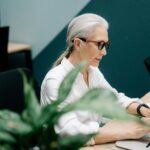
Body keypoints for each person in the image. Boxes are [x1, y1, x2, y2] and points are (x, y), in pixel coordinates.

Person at [41, 13, 150, 145]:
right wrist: (129, 131)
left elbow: (113, 99)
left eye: (106, 45)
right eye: (100, 44)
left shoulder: (92, 72)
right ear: (78, 44)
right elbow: (71, 134)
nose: (104, 52)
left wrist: (142, 109)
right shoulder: (55, 82)